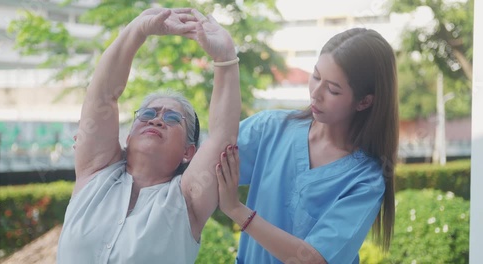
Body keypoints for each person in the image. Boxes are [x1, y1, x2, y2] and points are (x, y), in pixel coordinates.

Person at [57, 7, 241, 264]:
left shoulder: (187, 199)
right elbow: (103, 95)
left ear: (189, 152)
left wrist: (225, 58)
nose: (157, 119)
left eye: (172, 118)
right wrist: (138, 29)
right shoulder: (95, 171)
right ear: (128, 136)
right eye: (147, 114)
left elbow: (222, 135)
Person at [215, 28, 398, 264]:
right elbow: (207, 160)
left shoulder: (366, 180)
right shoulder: (270, 128)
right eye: (316, 76)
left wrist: (236, 210)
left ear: (364, 101)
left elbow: (312, 260)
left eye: (333, 89)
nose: (316, 93)